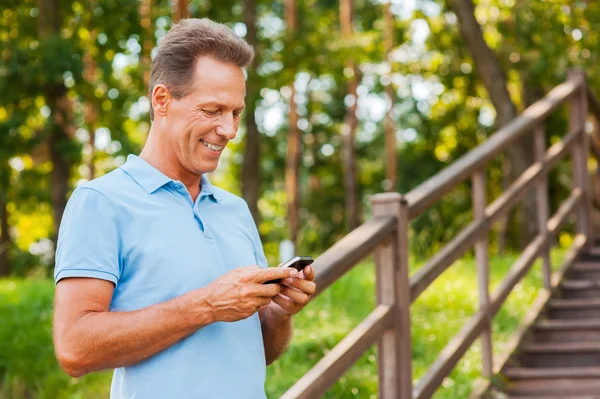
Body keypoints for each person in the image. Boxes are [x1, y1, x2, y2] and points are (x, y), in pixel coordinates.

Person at [52, 18, 316, 399]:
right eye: (213, 110)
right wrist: (207, 305)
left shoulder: (235, 209)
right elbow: (74, 349)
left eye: (236, 112)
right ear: (162, 100)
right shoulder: (101, 202)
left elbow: (260, 352)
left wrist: (279, 313)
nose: (229, 130)